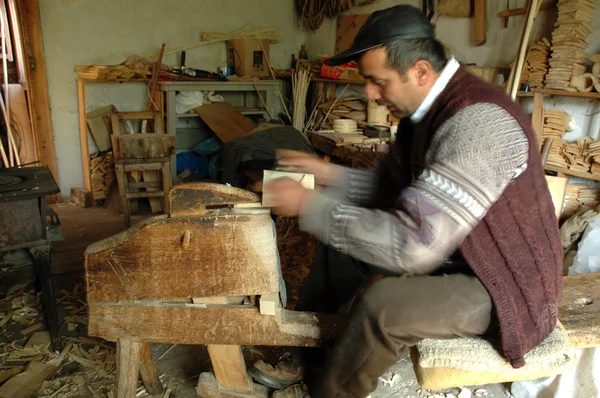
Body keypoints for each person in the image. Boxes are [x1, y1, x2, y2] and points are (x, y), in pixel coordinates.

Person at [250, 5, 563, 398]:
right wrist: (326, 175)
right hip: (456, 251)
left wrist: (310, 206)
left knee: (384, 308)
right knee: (338, 247)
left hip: (503, 284)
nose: (370, 93)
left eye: (378, 82)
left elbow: (415, 244)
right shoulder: (422, 114)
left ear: (419, 72)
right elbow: (391, 190)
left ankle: (330, 393)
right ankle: (309, 356)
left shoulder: (479, 122)